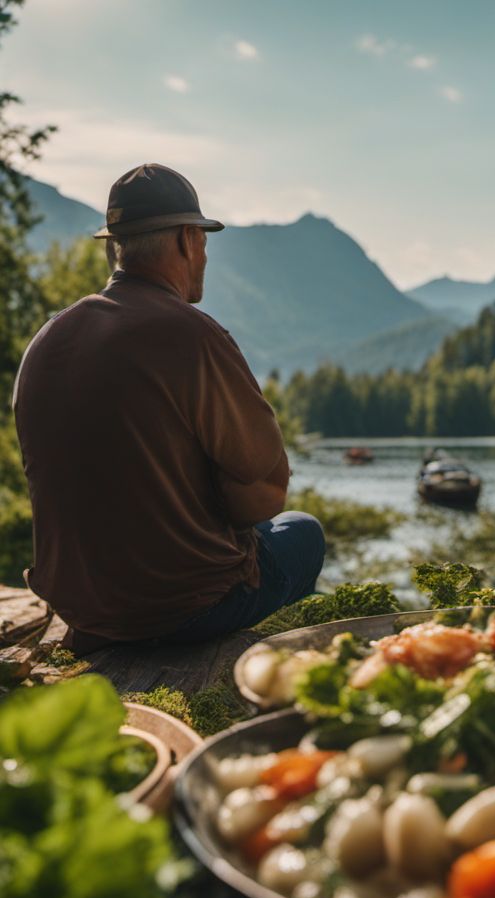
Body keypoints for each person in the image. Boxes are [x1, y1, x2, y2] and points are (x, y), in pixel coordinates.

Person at [13, 163, 325, 653]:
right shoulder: (193, 334)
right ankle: (257, 663)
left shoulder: (47, 341)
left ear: (116, 247)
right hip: (183, 612)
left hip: (86, 613)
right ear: (187, 240)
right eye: (202, 240)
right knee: (302, 533)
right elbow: (265, 497)